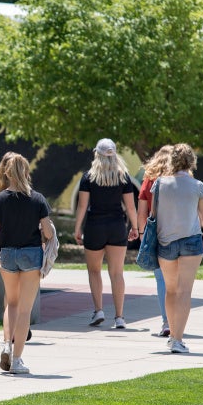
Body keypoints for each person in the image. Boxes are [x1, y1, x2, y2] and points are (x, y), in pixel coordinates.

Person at [0, 152, 54, 375]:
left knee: (11, 304)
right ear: (25, 171)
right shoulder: (38, 199)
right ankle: (17, 359)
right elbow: (48, 232)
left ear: (6, 172)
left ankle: (6, 343)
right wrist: (48, 228)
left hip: (6, 255)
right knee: (25, 310)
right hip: (31, 254)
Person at [152, 144, 203, 353]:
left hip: (165, 241)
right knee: (185, 291)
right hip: (191, 240)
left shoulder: (159, 184)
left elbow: (154, 215)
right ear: (191, 161)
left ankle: (171, 334)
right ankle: (178, 339)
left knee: (170, 290)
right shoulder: (198, 186)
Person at [73, 138, 139, 329]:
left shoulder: (88, 177)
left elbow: (82, 205)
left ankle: (99, 311)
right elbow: (130, 207)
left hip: (94, 227)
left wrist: (77, 228)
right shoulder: (123, 177)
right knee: (117, 273)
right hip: (117, 226)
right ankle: (119, 317)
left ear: (97, 154)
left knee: (94, 271)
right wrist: (135, 228)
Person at [136, 145, 175, 338]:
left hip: (157, 232)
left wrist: (142, 234)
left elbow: (142, 211)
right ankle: (178, 320)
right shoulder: (182, 178)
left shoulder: (149, 178)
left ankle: (166, 322)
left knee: (161, 279)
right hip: (179, 231)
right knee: (178, 279)